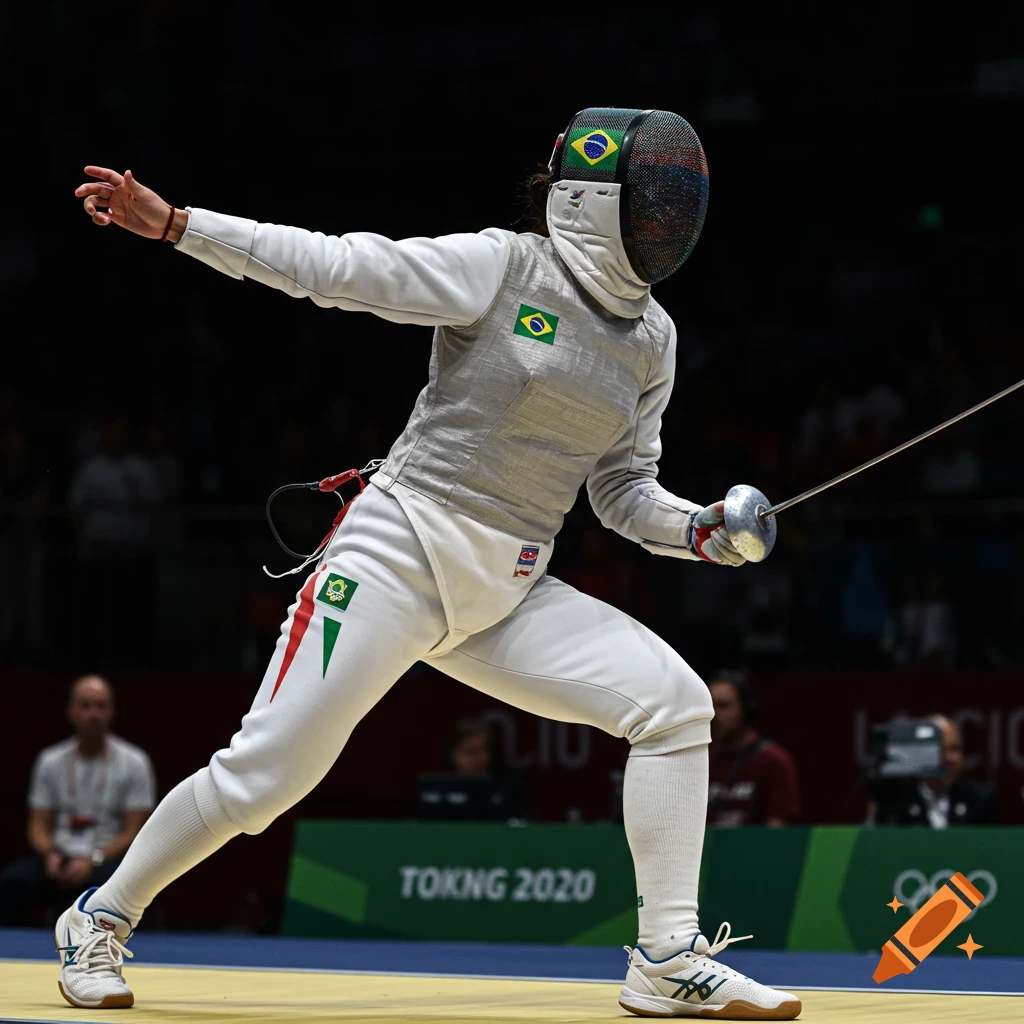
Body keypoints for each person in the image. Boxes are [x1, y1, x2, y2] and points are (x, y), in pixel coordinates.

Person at [60, 107, 800, 1019]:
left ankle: (666, 958)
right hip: (398, 553)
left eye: (682, 204)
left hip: (505, 592)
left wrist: (698, 529)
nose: (672, 222)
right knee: (268, 775)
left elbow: (621, 490)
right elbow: (335, 268)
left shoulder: (653, 339)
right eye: (657, 200)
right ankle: (100, 915)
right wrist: (180, 227)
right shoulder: (503, 265)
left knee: (676, 706)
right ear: (594, 201)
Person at [0, 676, 156, 927]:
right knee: (12, 883)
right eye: (85, 705)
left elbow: (134, 831)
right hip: (59, 855)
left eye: (100, 705)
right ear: (71, 711)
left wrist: (94, 858)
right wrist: (50, 853)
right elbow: (37, 824)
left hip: (106, 859)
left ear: (111, 711)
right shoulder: (50, 760)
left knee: (128, 884)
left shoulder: (134, 762)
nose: (92, 713)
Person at [869, 715, 1001, 827]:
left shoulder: (981, 801)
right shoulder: (896, 805)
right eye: (941, 750)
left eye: (955, 749)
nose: (950, 758)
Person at [706, 671, 800, 827]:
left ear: (746, 708)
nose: (713, 714)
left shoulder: (773, 761)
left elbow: (777, 830)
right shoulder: (701, 758)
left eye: (723, 706)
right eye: (710, 706)